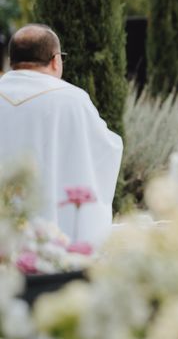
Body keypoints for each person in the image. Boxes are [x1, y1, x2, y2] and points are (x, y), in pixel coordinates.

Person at [0, 24, 123, 245]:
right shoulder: (71, 100)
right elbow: (104, 151)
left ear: (11, 61)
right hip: (54, 230)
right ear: (56, 60)